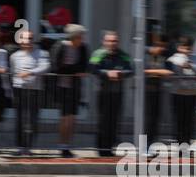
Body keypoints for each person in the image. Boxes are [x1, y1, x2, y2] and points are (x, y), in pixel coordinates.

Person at [88, 31, 134, 157]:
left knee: (114, 121)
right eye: (109, 41)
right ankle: (102, 149)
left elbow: (131, 70)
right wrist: (107, 73)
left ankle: (110, 148)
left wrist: (120, 74)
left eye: (114, 41)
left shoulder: (123, 55)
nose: (112, 43)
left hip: (117, 92)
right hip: (103, 92)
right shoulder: (98, 53)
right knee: (103, 121)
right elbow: (92, 68)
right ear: (104, 42)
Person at [9, 28, 49, 155]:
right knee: (20, 119)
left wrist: (30, 72)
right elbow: (13, 71)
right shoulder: (14, 56)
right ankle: (20, 146)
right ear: (20, 40)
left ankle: (28, 146)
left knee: (33, 119)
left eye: (30, 38)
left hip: (35, 90)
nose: (27, 41)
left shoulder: (42, 53)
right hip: (19, 90)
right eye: (25, 38)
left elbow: (45, 67)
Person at [50, 24, 88, 156]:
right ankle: (62, 146)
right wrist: (74, 70)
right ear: (74, 37)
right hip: (62, 86)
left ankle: (68, 145)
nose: (82, 39)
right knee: (65, 118)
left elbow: (84, 66)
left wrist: (71, 69)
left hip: (75, 86)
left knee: (72, 118)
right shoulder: (60, 46)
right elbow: (56, 67)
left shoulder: (83, 48)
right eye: (80, 36)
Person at [165, 38, 196, 144]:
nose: (186, 50)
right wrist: (179, 67)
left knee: (189, 121)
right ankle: (179, 143)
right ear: (178, 48)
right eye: (183, 47)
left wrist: (191, 66)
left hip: (192, 93)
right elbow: (170, 74)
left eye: (188, 48)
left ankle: (187, 143)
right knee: (178, 120)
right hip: (178, 93)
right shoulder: (172, 59)